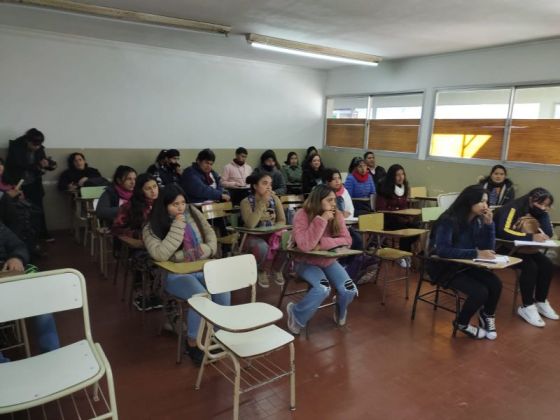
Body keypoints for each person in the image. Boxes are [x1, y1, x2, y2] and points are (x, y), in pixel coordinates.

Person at [143, 184, 229, 365]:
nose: (181, 208)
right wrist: (178, 225)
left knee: (223, 287)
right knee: (200, 296)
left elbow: (210, 235)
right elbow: (160, 254)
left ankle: (219, 334)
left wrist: (207, 249)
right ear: (164, 205)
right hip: (175, 275)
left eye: (182, 203)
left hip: (201, 267)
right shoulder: (151, 227)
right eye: (175, 204)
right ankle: (192, 343)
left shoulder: (193, 213)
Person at [426, 184, 501, 340]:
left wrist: (489, 225)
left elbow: (488, 249)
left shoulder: (477, 221)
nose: (485, 206)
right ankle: (461, 323)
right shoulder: (448, 220)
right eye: (481, 201)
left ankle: (487, 315)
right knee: (480, 292)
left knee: (495, 283)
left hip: (465, 263)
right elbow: (443, 250)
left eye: (486, 202)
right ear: (469, 201)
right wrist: (476, 253)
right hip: (443, 266)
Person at [286, 185, 358, 334]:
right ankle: (296, 312)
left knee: (349, 290)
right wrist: (322, 219)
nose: (333, 204)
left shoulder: (336, 214)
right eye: (329, 200)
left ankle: (340, 307)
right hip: (305, 262)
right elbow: (306, 246)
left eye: (334, 200)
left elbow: (347, 240)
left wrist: (323, 244)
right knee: (323, 289)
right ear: (318, 201)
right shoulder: (302, 215)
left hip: (327, 261)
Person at [494, 187, 558, 327]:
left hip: (525, 248)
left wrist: (543, 213)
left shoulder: (539, 211)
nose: (543, 207)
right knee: (530, 267)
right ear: (530, 199)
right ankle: (527, 307)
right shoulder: (513, 207)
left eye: (547, 205)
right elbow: (503, 231)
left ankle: (541, 301)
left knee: (547, 265)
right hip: (504, 247)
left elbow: (548, 232)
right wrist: (530, 237)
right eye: (541, 204)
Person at [0, 222, 59, 362]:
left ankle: (52, 357)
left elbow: (18, 245)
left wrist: (16, 257)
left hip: (6, 275)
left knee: (40, 301)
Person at [3, 128, 56, 242]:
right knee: (19, 211)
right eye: (35, 145)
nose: (37, 147)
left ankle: (42, 234)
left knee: (38, 209)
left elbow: (44, 162)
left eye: (39, 145)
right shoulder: (16, 146)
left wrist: (49, 165)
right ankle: (21, 237)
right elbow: (18, 164)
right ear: (27, 141)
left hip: (34, 182)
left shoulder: (39, 147)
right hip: (18, 183)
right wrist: (38, 165)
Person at [240, 172, 286, 288]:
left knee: (287, 240)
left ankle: (277, 269)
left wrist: (274, 229)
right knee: (261, 246)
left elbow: (282, 220)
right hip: (253, 237)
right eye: (265, 183)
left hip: (271, 234)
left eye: (270, 184)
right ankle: (261, 270)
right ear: (255, 186)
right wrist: (261, 203)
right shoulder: (246, 202)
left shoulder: (275, 199)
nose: (269, 187)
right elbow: (250, 224)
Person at [376, 164, 419, 256]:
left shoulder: (404, 188)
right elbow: (380, 209)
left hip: (401, 218)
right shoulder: (384, 188)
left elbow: (404, 207)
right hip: (387, 220)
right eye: (397, 175)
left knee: (417, 227)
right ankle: (403, 255)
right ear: (392, 176)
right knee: (406, 230)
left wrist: (406, 216)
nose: (401, 177)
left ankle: (405, 252)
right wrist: (395, 210)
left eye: (402, 174)